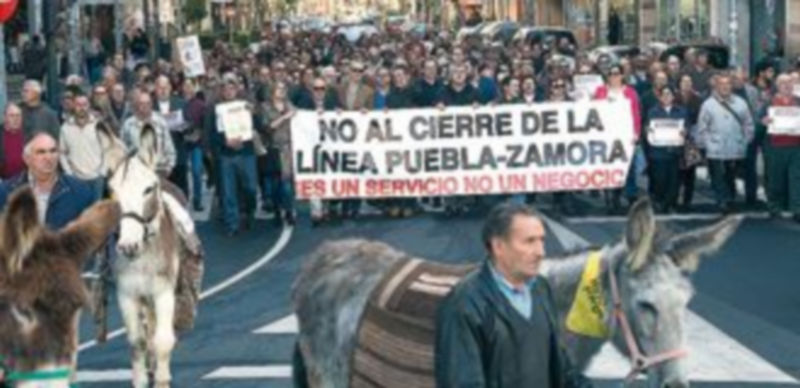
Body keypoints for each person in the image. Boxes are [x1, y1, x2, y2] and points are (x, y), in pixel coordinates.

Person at [435, 202, 591, 387]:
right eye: (529, 241)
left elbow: (561, 367)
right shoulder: (464, 304)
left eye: (542, 240)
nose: (541, 252)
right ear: (498, 246)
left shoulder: (541, 289)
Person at [0, 132, 97, 229]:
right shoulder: (7, 192)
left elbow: (95, 234)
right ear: (27, 159)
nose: (48, 157)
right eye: (41, 152)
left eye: (53, 151)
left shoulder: (80, 192)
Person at [204, 74, 258, 236]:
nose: (229, 90)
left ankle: (249, 211)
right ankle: (232, 223)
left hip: (246, 152)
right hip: (226, 155)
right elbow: (211, 133)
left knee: (250, 187)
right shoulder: (215, 109)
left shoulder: (247, 105)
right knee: (228, 191)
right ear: (221, 90)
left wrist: (254, 114)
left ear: (237, 89)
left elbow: (260, 125)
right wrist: (224, 141)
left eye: (232, 86)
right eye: (225, 88)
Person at [697, 73, 755, 213]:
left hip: (735, 147)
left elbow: (748, 124)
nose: (725, 87)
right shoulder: (708, 105)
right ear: (716, 86)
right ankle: (722, 201)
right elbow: (702, 127)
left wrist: (745, 141)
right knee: (717, 175)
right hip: (715, 147)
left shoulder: (741, 103)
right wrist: (708, 144)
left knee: (730, 174)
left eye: (728, 84)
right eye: (721, 84)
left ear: (731, 86)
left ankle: (730, 199)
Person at [761, 74, 800, 223]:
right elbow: (759, 120)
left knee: (797, 179)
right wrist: (764, 121)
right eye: (783, 83)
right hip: (776, 146)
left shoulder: (798, 102)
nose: (787, 85)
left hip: (796, 147)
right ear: (777, 85)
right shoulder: (769, 102)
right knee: (775, 179)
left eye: (789, 83)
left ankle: (797, 209)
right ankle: (774, 208)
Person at [646, 86, 687, 213]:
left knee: (673, 180)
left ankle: (669, 204)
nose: (666, 97)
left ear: (673, 97)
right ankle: (659, 201)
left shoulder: (681, 112)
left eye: (669, 94)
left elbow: (687, 128)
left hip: (675, 151)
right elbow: (648, 128)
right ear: (659, 97)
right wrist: (648, 131)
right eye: (664, 94)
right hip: (658, 153)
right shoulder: (653, 112)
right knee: (660, 179)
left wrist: (685, 132)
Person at [0, 104, 26, 179]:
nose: (16, 119)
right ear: (5, 117)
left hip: (24, 182)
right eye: (12, 115)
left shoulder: (28, 134)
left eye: (18, 115)